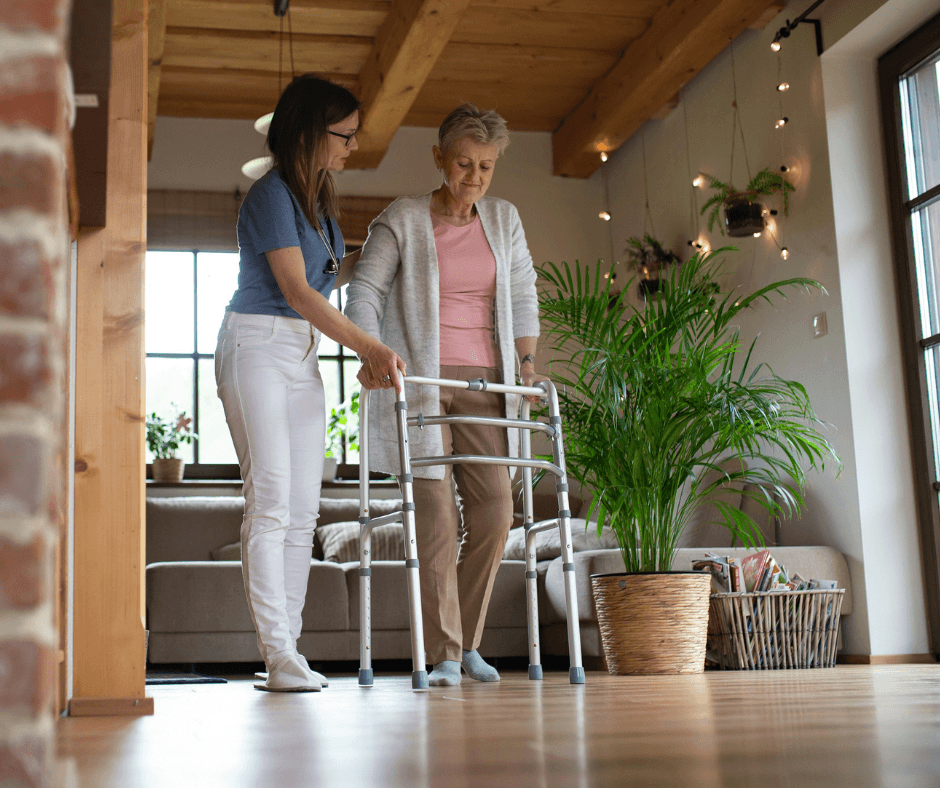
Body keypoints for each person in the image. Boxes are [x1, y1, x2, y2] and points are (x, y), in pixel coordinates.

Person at [345, 103, 549, 686]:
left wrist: (527, 366)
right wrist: (369, 349)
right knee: (434, 517)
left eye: (486, 166)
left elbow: (522, 295)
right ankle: (447, 654)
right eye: (464, 163)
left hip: (487, 381)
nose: (475, 177)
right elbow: (365, 290)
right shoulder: (403, 217)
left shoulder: (504, 219)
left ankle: (466, 641)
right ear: (440, 159)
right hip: (424, 382)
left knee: (494, 513)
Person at [215, 74, 405, 693]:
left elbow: (324, 284)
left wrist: (361, 343)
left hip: (300, 353)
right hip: (257, 345)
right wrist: (369, 346)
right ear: (307, 131)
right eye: (344, 135)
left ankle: (287, 652)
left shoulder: (320, 201)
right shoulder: (270, 196)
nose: (353, 146)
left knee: (302, 511)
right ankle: (277, 653)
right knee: (270, 502)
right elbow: (297, 292)